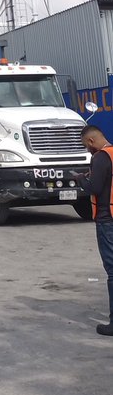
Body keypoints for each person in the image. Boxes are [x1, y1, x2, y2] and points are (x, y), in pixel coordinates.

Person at [73, 125, 113, 336]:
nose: (87, 150)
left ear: (90, 142)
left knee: (112, 271)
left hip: (107, 220)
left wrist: (81, 179)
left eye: (85, 146)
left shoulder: (99, 158)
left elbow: (94, 188)